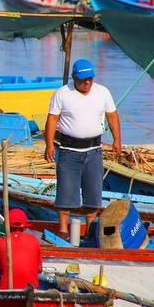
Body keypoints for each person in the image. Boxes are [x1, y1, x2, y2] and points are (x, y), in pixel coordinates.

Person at [44, 58, 121, 241]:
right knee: (66, 193)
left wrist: (117, 140)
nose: (86, 82)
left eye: (89, 79)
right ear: (74, 78)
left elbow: (112, 116)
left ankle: (89, 231)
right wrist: (48, 145)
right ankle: (63, 231)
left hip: (94, 151)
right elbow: (52, 119)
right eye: (82, 79)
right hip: (69, 150)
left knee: (93, 194)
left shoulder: (102, 92)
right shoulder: (62, 93)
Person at [0, 209, 42, 290]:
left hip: (6, 290)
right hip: (31, 290)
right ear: (24, 227)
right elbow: (39, 269)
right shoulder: (34, 241)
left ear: (5, 225)